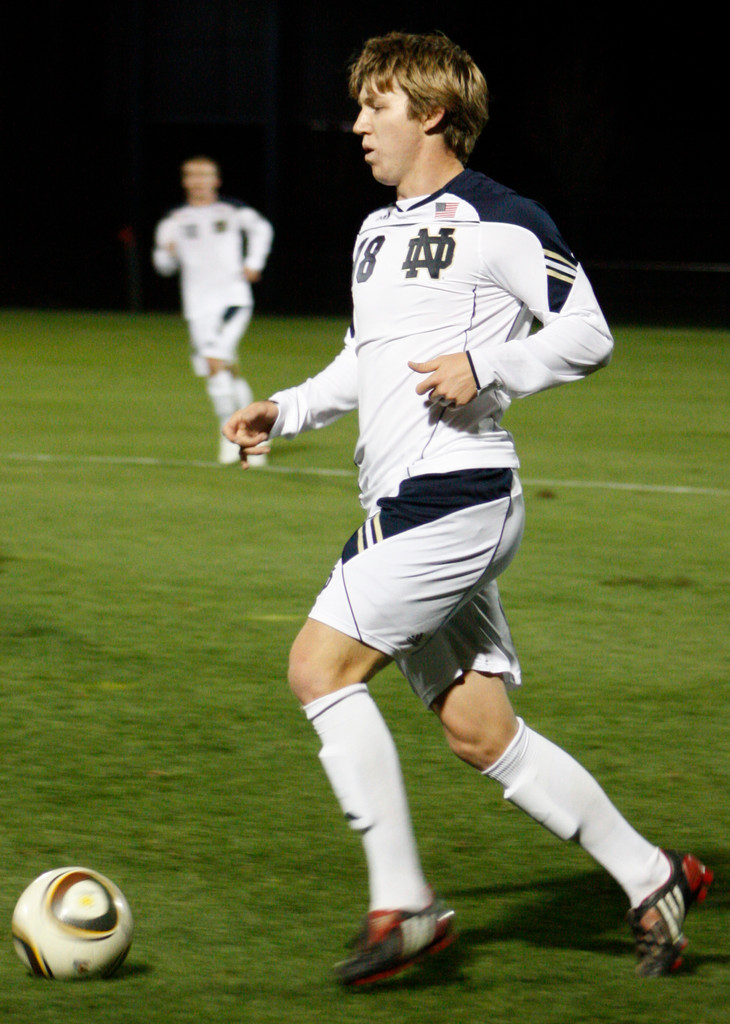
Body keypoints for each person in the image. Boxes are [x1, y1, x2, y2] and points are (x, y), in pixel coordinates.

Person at [224, 32, 712, 983]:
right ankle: (653, 875)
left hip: (458, 492)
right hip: (405, 496)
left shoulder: (501, 221)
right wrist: (283, 410)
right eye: (361, 106)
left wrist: (489, 363)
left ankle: (404, 907)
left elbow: (589, 332)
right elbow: (361, 364)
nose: (359, 123)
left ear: (433, 112)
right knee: (478, 731)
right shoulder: (374, 233)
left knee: (319, 667)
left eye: (378, 105)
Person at [153, 155, 274, 465]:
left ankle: (230, 437)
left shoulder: (232, 211)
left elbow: (262, 229)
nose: (198, 181)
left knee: (214, 359)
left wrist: (253, 263)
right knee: (222, 368)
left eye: (205, 175)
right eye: (192, 175)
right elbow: (163, 266)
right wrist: (167, 255)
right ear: (185, 181)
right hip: (197, 308)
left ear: (216, 180)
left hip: (232, 300)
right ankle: (254, 434)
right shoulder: (174, 220)